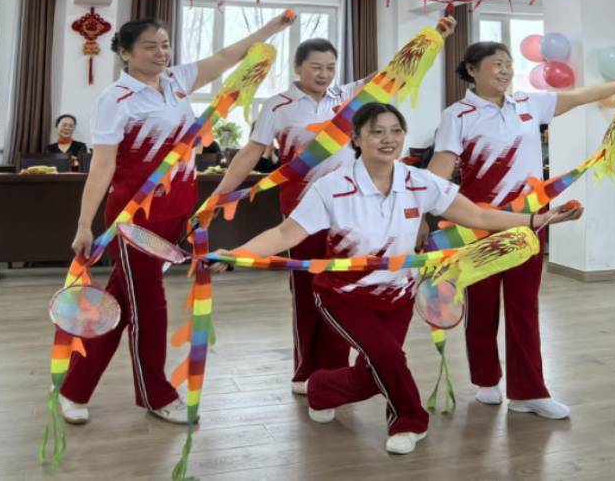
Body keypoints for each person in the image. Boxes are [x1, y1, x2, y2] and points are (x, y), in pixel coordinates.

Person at [213, 103, 583, 455]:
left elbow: (479, 217)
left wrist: (539, 219)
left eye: (396, 130)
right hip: (343, 294)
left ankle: (322, 388)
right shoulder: (332, 186)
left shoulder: (420, 182)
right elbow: (285, 234)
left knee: (375, 369)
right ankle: (410, 420)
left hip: (397, 295)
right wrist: (237, 253)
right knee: (388, 356)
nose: (388, 138)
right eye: (376, 132)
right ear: (356, 138)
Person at [57, 12, 294, 426]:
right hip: (134, 220)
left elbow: (226, 56)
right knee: (150, 308)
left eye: (165, 45)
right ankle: (157, 395)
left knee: (123, 304)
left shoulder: (176, 81)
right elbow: (103, 166)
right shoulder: (115, 99)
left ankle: (73, 388)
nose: (161, 53)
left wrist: (271, 30)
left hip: (179, 211)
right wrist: (84, 224)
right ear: (125, 52)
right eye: (150, 47)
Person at [208, 18, 456, 394]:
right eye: (315, 67)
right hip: (302, 214)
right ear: (297, 68)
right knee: (308, 295)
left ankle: (337, 375)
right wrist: (220, 197)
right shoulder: (279, 106)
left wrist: (433, 37)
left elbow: (392, 72)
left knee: (345, 293)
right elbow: (250, 154)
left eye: (330, 67)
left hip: (353, 214)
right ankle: (307, 372)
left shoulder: (349, 98)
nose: (324, 74)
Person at [427, 41, 615, 420]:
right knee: (481, 305)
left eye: (508, 64)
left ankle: (528, 391)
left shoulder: (528, 103)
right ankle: (486, 380)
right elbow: (440, 170)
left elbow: (578, 96)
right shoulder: (457, 115)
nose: (505, 70)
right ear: (471, 70)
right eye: (496, 64)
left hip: (531, 221)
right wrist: (415, 210)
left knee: (524, 305)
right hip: (479, 222)